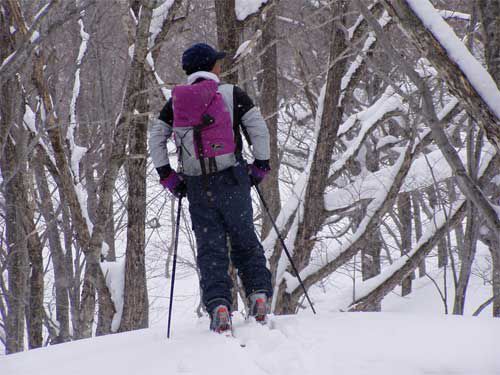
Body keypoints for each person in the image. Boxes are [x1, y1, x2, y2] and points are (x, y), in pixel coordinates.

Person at [149, 43, 273, 333]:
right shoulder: (231, 94)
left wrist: (167, 176)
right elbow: (258, 129)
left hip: (197, 188)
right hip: (233, 180)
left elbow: (156, 138)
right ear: (210, 66)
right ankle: (258, 297)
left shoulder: (176, 102)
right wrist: (260, 166)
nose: (220, 66)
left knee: (211, 250)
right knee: (245, 242)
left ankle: (219, 306)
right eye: (217, 62)